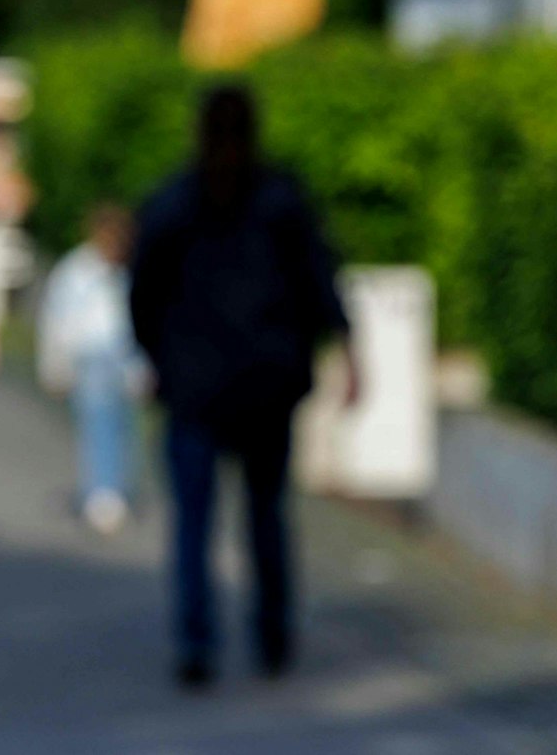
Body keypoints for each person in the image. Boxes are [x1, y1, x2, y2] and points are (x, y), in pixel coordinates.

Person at [130, 84, 356, 687]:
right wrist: (344, 347)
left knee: (194, 523)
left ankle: (196, 643)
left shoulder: (175, 201)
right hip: (266, 383)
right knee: (265, 516)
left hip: (196, 386)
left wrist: (159, 359)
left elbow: (141, 294)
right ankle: (273, 633)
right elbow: (320, 279)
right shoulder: (280, 199)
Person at [38, 203, 148, 535]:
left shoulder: (130, 271)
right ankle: (102, 491)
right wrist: (55, 365)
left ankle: (116, 486)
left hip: (124, 359)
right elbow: (57, 322)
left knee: (125, 428)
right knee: (97, 425)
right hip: (90, 359)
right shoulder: (76, 271)